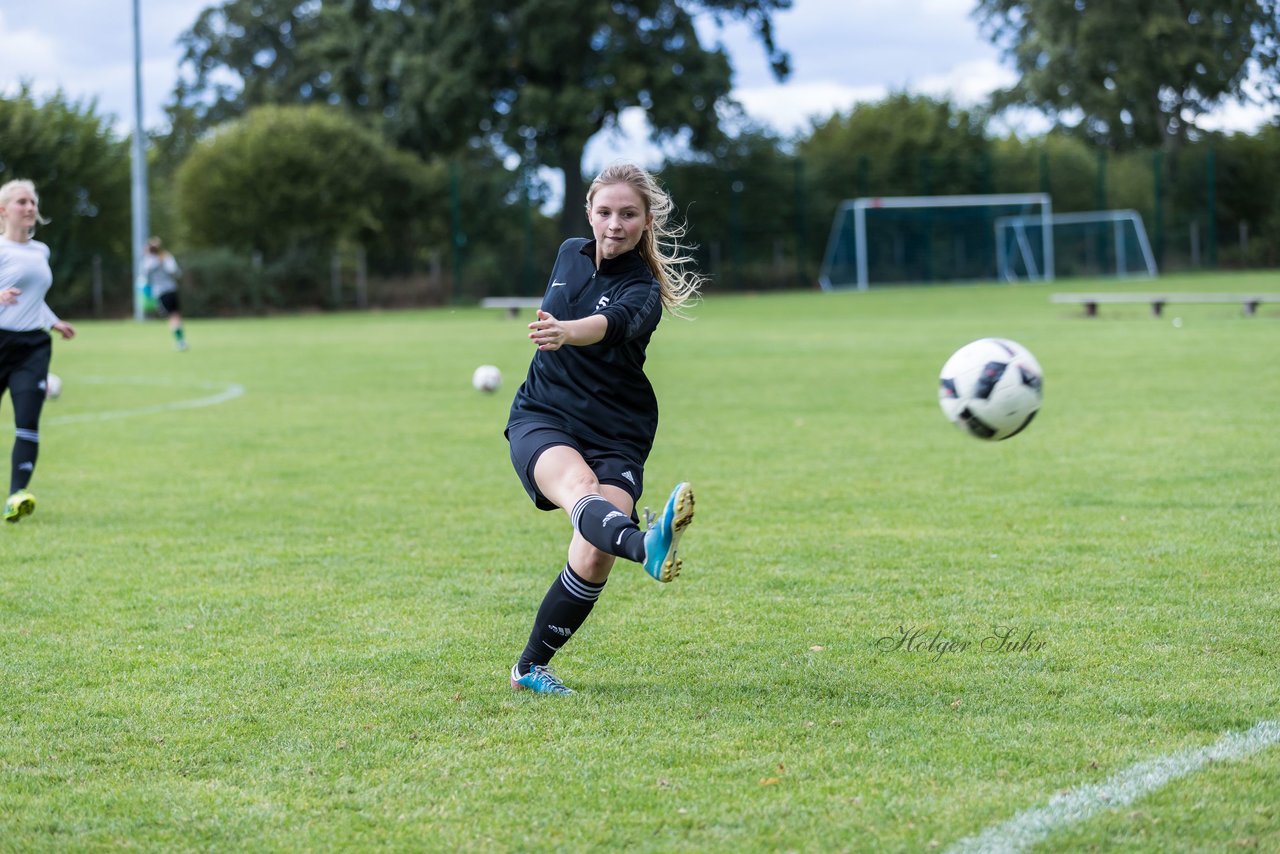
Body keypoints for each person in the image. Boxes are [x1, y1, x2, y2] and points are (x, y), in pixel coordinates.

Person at [505, 162, 704, 695]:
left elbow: (608, 325)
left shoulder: (644, 293)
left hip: (617, 429)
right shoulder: (569, 252)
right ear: (589, 212)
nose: (614, 224)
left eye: (628, 214)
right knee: (581, 494)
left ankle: (529, 668)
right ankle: (648, 546)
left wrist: (568, 331)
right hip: (543, 415)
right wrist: (563, 332)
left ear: (646, 223)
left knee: (594, 551)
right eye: (605, 212)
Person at [0, 179, 77, 523]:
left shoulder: (40, 251)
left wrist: (54, 321)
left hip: (32, 346)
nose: (30, 207)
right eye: (21, 202)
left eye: (32, 202)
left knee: (28, 420)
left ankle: (17, 495)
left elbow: (34, 298)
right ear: (4, 210)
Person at [142, 237, 188, 350]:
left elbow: (146, 279)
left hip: (161, 292)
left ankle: (180, 342)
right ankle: (181, 340)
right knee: (176, 315)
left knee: (172, 318)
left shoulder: (148, 261)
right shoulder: (166, 257)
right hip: (172, 289)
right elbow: (176, 272)